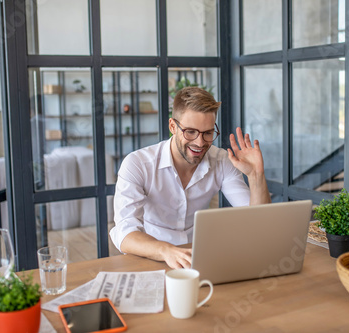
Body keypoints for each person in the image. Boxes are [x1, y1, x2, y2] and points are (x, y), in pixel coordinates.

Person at [110, 87, 271, 269]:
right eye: (190, 132)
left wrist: (256, 175)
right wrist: (167, 251)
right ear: (172, 126)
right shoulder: (138, 164)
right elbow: (125, 232)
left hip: (198, 256)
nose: (200, 142)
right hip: (151, 255)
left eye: (208, 133)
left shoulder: (222, 160)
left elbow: (259, 223)